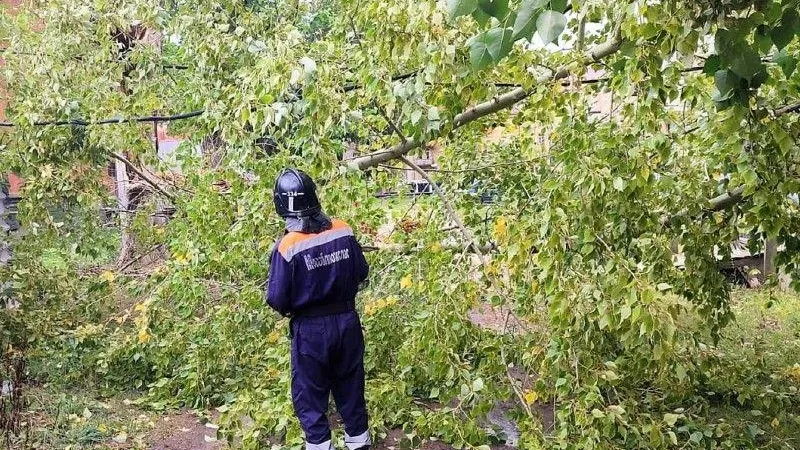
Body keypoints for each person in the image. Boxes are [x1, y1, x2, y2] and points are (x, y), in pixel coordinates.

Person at [265, 168, 371, 450]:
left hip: (311, 331)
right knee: (351, 394)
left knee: (311, 401)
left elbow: (276, 298)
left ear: (281, 206)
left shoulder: (287, 246)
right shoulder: (343, 229)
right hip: (347, 322)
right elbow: (361, 272)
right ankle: (359, 444)